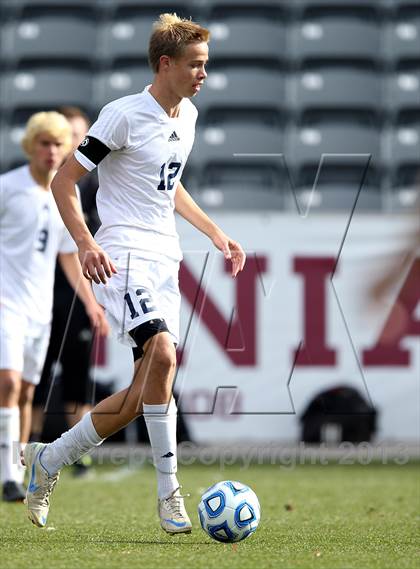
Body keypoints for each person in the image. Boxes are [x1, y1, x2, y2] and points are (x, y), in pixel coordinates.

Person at [22, 13, 246, 534]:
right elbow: (65, 180)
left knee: (140, 394)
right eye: (195, 65)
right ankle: (170, 496)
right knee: (165, 351)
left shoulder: (185, 116)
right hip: (120, 255)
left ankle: (48, 460)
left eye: (206, 65)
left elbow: (169, 188)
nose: (203, 74)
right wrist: (85, 243)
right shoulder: (122, 116)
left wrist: (214, 232)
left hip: (164, 259)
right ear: (165, 64)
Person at [0, 111, 108, 502]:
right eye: (44, 143)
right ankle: (9, 474)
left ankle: (16, 464)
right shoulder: (8, 187)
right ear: (32, 146)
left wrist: (92, 304)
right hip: (6, 304)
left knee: (28, 391)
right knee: (9, 384)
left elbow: (67, 255)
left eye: (58, 144)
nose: (51, 151)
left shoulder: (67, 193)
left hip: (39, 310)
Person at [31, 107, 104, 478]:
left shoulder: (93, 185)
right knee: (36, 374)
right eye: (68, 134)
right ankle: (28, 447)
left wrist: (92, 301)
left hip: (76, 292)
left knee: (79, 374)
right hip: (41, 292)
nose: (76, 141)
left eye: (80, 135)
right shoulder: (42, 185)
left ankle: (80, 453)